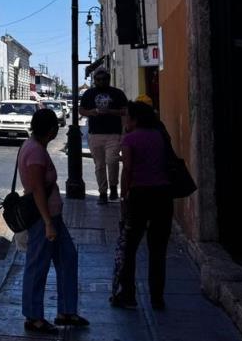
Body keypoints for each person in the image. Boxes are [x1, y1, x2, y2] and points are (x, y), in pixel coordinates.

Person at [17, 108, 89, 334]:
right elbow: (37, 189)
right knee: (38, 265)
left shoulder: (33, 146)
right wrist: (48, 222)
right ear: (51, 130)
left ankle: (66, 310)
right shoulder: (36, 152)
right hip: (43, 218)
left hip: (52, 217)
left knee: (68, 257)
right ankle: (34, 316)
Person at [111, 100, 174, 311]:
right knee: (158, 250)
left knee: (130, 247)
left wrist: (123, 197)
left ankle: (128, 294)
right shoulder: (160, 136)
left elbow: (127, 170)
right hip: (163, 196)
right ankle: (158, 298)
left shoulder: (130, 139)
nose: (124, 119)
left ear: (135, 119)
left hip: (139, 195)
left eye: (126, 116)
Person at [79, 69, 129, 204]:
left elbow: (125, 111)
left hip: (113, 134)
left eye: (104, 79)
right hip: (95, 135)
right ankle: (102, 192)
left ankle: (113, 187)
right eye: (98, 79)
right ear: (94, 80)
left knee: (112, 161)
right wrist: (90, 112)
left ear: (109, 79)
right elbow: (81, 110)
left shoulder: (117, 93)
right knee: (99, 165)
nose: (101, 82)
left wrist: (111, 112)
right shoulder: (89, 93)